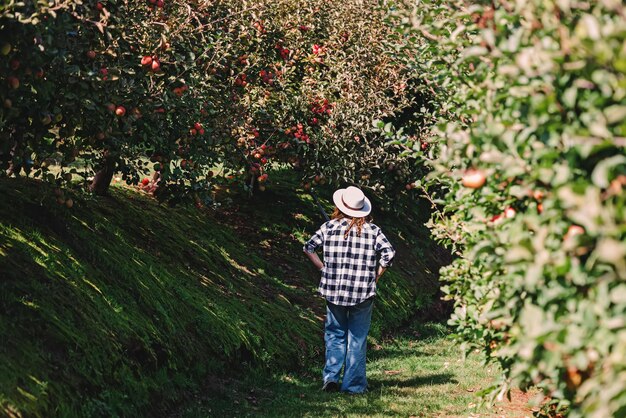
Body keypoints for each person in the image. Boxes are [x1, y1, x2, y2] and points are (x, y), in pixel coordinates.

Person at [303, 186, 395, 394]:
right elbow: (389, 254)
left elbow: (308, 247)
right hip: (362, 292)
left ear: (340, 206)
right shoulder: (373, 231)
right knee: (357, 338)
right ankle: (353, 385)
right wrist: (376, 276)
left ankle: (331, 378)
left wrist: (323, 269)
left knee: (335, 334)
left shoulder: (329, 227)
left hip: (334, 290)